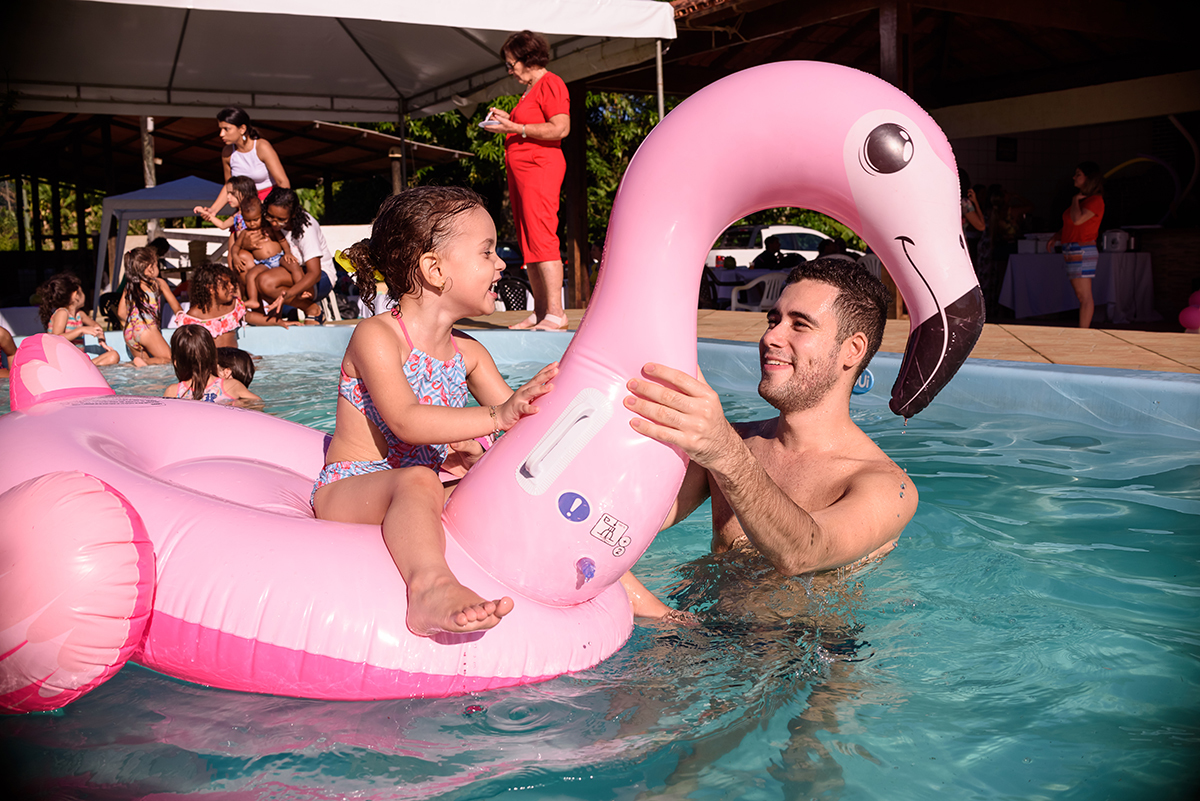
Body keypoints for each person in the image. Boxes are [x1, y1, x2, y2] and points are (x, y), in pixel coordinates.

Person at [312, 185, 559, 636]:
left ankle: (631, 595)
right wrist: (496, 418)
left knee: (505, 489)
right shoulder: (378, 337)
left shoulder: (470, 353)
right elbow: (406, 420)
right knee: (419, 477)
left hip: (425, 488)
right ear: (434, 268)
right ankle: (429, 588)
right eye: (487, 252)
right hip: (352, 489)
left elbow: (523, 424)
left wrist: (495, 442)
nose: (502, 263)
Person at [620, 258, 918, 618]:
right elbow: (617, 521)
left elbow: (804, 552)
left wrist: (723, 450)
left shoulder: (886, 487)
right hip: (700, 640)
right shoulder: (732, 445)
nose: (770, 337)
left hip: (807, 660)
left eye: (800, 325)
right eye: (773, 320)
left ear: (852, 350)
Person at [484, 30, 571, 331]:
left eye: (511, 64)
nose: (511, 70)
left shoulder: (551, 83)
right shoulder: (531, 89)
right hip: (524, 172)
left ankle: (556, 312)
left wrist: (516, 127)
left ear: (527, 58)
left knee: (543, 236)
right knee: (529, 240)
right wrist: (509, 122)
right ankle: (542, 309)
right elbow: (530, 125)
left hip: (539, 168)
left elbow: (560, 128)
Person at [193, 107, 290, 219]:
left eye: (226, 129)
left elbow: (283, 182)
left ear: (242, 129)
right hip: (244, 206)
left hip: (269, 205)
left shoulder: (261, 147)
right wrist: (213, 210)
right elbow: (229, 186)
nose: (221, 134)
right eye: (220, 129)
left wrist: (275, 208)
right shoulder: (227, 152)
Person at [257, 187, 336, 322]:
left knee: (266, 282)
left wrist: (289, 294)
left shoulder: (305, 228)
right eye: (270, 216)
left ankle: (311, 309)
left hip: (321, 278)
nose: (275, 223)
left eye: (281, 219)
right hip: (293, 272)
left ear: (293, 214)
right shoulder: (270, 222)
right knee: (259, 281)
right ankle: (308, 309)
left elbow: (314, 273)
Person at [174, 263, 292, 348]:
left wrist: (278, 322)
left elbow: (250, 317)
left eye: (231, 282)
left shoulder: (233, 305)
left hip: (234, 357)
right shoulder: (194, 316)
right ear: (210, 288)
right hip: (213, 362)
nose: (231, 286)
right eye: (226, 284)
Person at [1047, 162, 1105, 329]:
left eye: (1078, 174)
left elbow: (1077, 219)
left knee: (1084, 294)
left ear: (1088, 178)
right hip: (1071, 248)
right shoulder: (1083, 200)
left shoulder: (1095, 201)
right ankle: (1083, 329)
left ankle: (1083, 331)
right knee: (1080, 294)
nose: (1074, 177)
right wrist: (1057, 236)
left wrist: (1074, 201)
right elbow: (1069, 224)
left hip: (1082, 248)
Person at [229, 198, 300, 310]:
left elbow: (282, 240)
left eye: (255, 219)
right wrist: (235, 257)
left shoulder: (269, 228)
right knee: (251, 275)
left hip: (279, 257)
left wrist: (288, 253)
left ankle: (300, 289)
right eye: (248, 221)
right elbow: (235, 247)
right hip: (263, 263)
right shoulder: (244, 233)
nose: (252, 224)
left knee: (293, 265)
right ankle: (253, 300)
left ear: (261, 215)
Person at [117, 246, 182, 367]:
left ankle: (133, 364)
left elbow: (121, 313)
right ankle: (138, 363)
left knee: (145, 370)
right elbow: (177, 308)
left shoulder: (129, 287)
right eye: (156, 265)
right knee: (169, 359)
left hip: (129, 331)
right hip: (146, 328)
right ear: (149, 268)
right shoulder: (158, 283)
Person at [38, 272, 120, 366]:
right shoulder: (62, 313)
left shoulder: (79, 314)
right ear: (75, 295)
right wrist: (80, 330)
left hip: (77, 361)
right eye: (82, 292)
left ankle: (88, 369)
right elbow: (56, 338)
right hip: (62, 361)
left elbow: (96, 326)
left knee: (113, 356)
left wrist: (101, 340)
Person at [164, 324, 259, 404]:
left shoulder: (173, 392)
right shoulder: (230, 386)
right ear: (214, 357)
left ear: (176, 363)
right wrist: (238, 405)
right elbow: (258, 404)